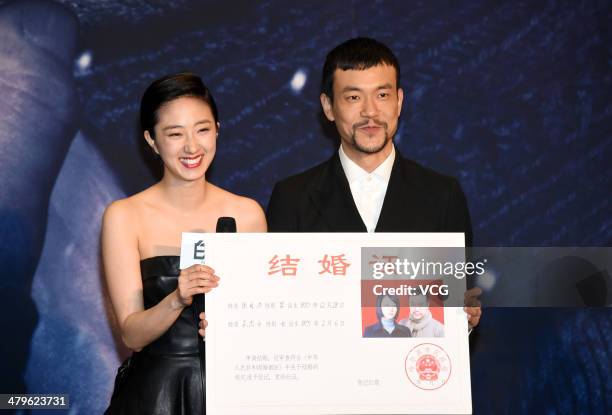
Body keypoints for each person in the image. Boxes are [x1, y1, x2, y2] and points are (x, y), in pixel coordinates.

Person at [266, 37, 481, 329]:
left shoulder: (442, 194)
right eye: (353, 97)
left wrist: (464, 322)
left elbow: (457, 304)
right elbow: (276, 310)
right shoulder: (292, 197)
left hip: (412, 368)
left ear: (399, 102)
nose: (370, 111)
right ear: (328, 107)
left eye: (382, 95)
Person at [102, 72, 267, 414]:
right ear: (151, 140)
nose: (192, 147)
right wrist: (177, 298)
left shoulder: (248, 214)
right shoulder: (125, 215)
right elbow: (132, 334)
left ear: (217, 129)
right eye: (175, 134)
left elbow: (261, 320)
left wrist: (236, 328)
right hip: (156, 394)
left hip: (233, 391)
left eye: (202, 129)